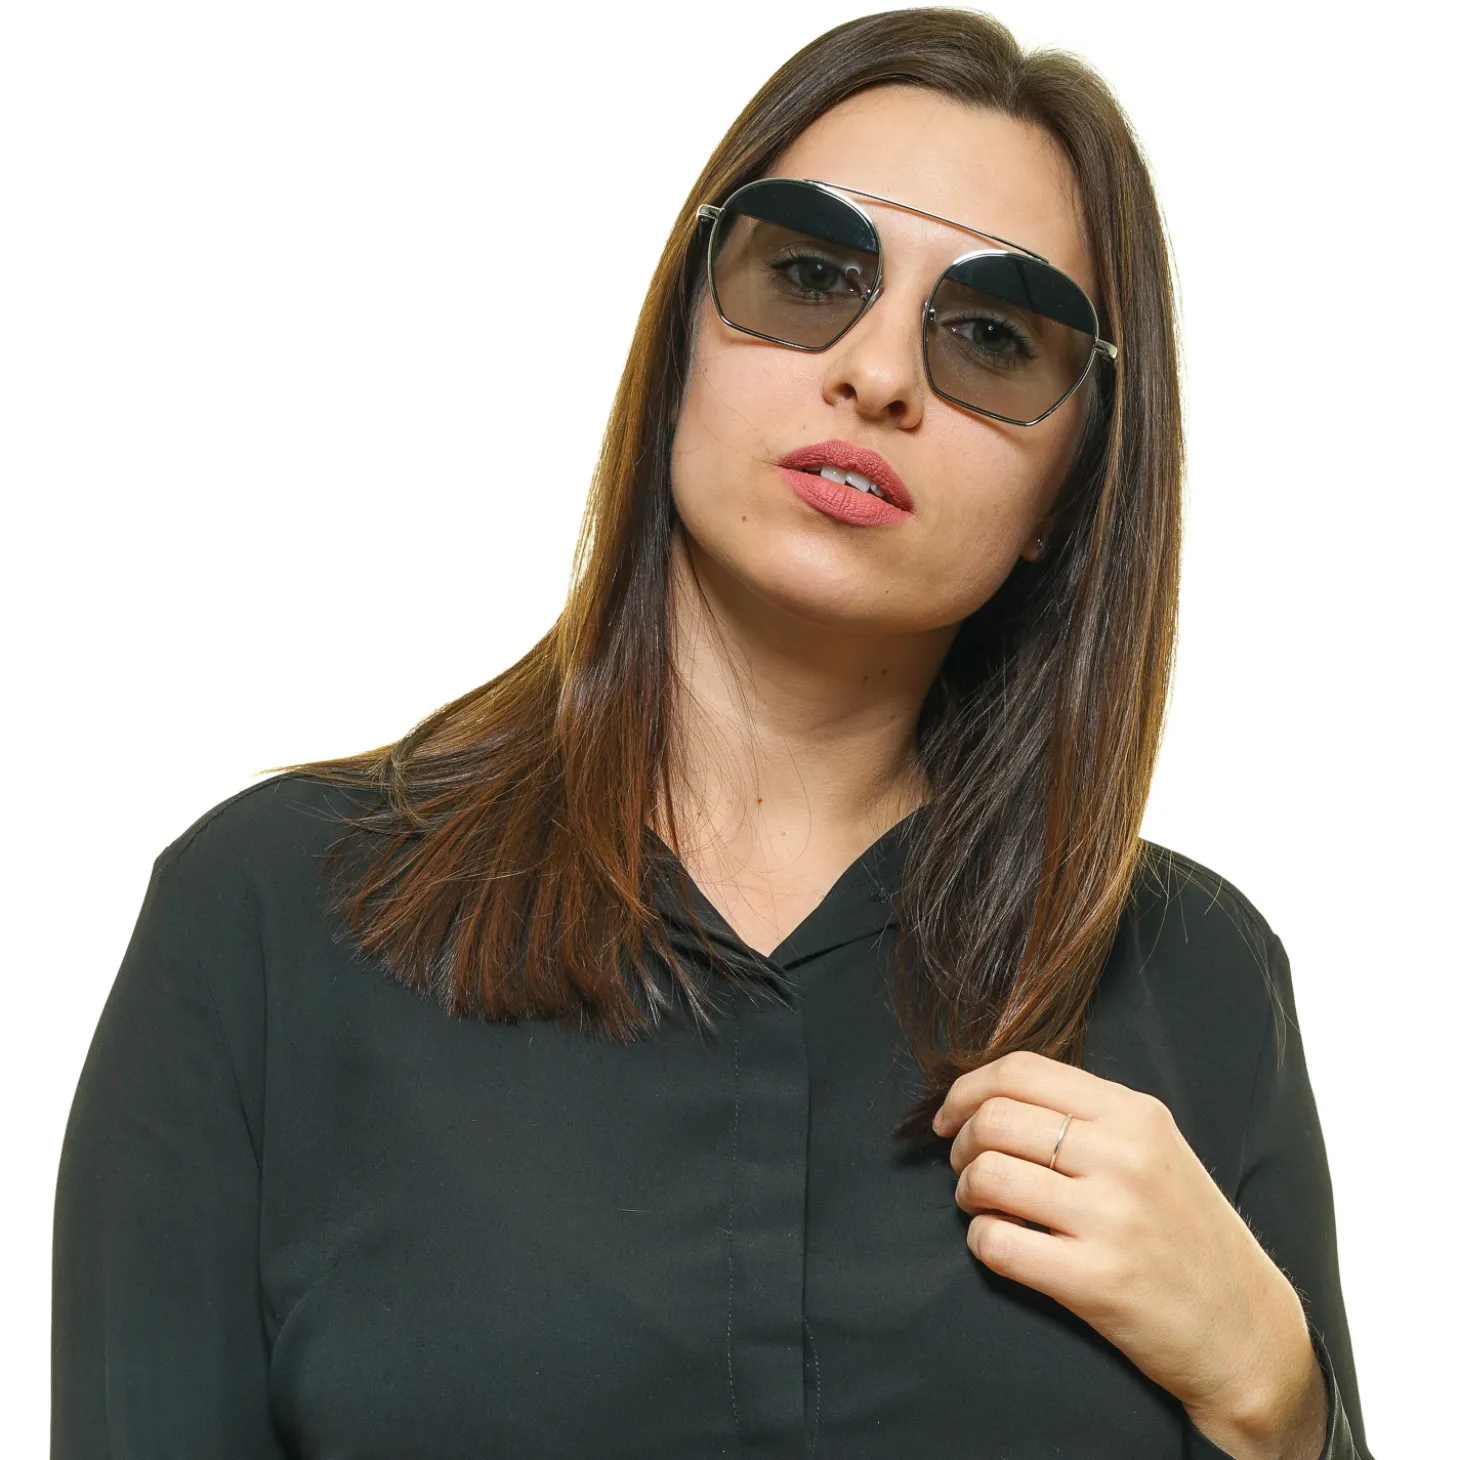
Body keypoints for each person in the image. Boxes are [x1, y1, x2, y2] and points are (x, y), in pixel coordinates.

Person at [51, 8, 1374, 1458]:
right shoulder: (269, 926)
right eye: (810, 272)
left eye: (994, 336)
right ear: (682, 334)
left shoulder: (1197, 987)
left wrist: (1280, 1402)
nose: (879, 373)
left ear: (1072, 485)